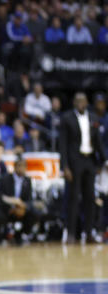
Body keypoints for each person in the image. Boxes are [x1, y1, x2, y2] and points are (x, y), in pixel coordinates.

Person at [60, 92, 104, 244]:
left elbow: (98, 142)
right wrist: (64, 166)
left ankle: (89, 233)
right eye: (78, 101)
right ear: (74, 103)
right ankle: (71, 233)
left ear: (86, 103)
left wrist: (103, 161)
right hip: (74, 162)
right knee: (73, 198)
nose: (80, 104)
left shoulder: (93, 118)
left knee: (90, 198)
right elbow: (63, 144)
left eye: (83, 101)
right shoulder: (67, 118)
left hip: (89, 161)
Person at [0, 155, 37, 244]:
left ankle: (20, 235)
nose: (22, 168)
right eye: (19, 165)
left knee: (34, 212)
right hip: (5, 208)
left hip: (19, 209)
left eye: (24, 166)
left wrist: (24, 207)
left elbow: (29, 200)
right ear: (14, 167)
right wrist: (11, 208)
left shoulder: (28, 180)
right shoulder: (4, 179)